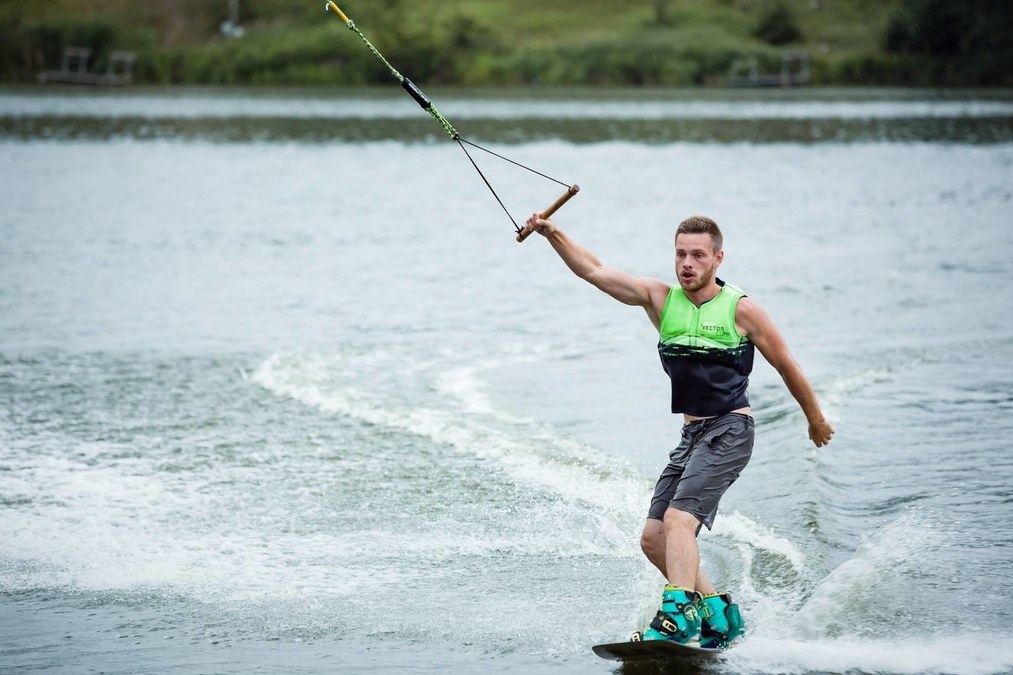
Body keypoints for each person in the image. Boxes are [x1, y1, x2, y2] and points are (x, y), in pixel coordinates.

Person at [523, 213, 834, 649]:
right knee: (654, 540)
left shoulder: (742, 310)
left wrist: (815, 419)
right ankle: (718, 614)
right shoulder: (660, 299)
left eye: (698, 255)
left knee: (678, 521)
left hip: (731, 429)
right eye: (681, 254)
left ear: (717, 259)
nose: (687, 263)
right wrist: (552, 232)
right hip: (691, 436)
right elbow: (594, 270)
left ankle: (677, 618)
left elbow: (787, 366)